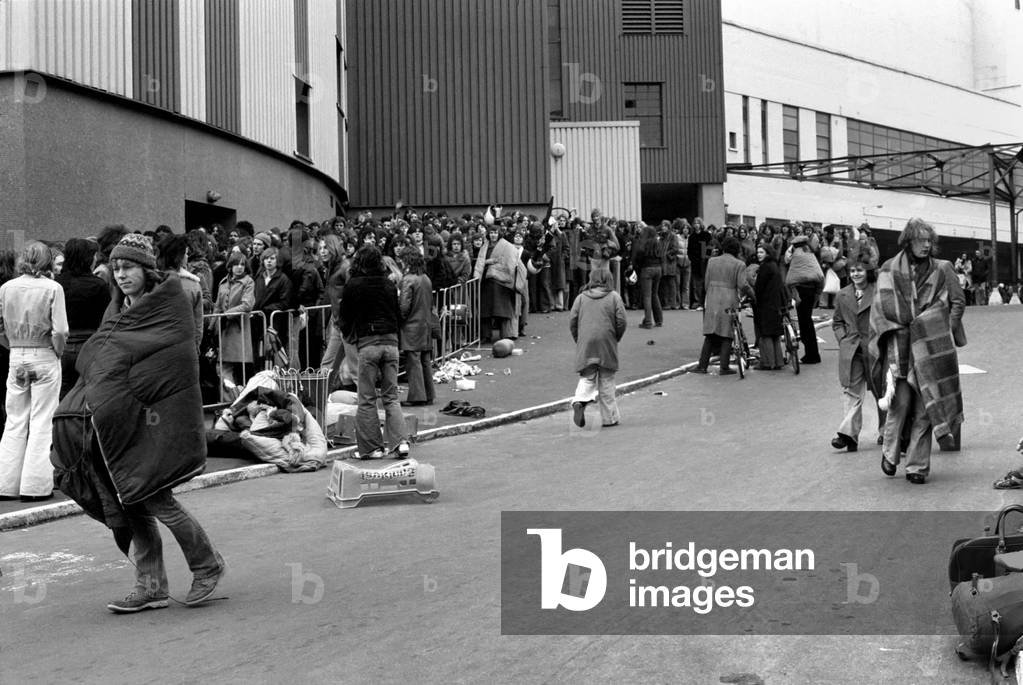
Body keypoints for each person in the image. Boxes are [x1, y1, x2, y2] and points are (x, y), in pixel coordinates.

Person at [61, 233, 225, 612]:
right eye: (115, 268)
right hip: (117, 420)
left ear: (146, 268)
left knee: (157, 497)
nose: (120, 275)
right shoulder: (115, 309)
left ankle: (208, 565)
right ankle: (150, 587)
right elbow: (100, 357)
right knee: (130, 500)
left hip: (157, 417)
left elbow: (177, 360)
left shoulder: (169, 304)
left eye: (128, 267)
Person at [869, 218, 966, 485]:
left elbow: (954, 303)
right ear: (908, 241)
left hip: (931, 347)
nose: (926, 245)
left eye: (929, 240)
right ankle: (889, 454)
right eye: (920, 240)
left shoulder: (942, 269)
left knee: (925, 408)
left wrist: (940, 328)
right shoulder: (889, 269)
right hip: (899, 346)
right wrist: (905, 324)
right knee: (900, 403)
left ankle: (917, 466)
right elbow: (880, 309)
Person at [0, 242, 68, 502]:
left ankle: (6, 483)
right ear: (48, 262)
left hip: (16, 355)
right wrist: (57, 351)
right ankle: (35, 486)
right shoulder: (53, 288)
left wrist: (12, 346)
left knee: (15, 419)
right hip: (45, 354)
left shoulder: (6, 288)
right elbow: (60, 330)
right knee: (42, 419)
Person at [340, 244, 410, 460]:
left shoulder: (353, 285)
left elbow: (345, 317)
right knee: (391, 396)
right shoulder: (389, 285)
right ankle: (401, 443)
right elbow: (399, 315)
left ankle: (371, 448)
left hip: (368, 343)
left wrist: (351, 336)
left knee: (367, 397)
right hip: (391, 342)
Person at [830, 245, 883, 452]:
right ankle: (848, 434)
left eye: (860, 270)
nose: (855, 274)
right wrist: (843, 339)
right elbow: (837, 322)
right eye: (852, 271)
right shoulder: (843, 294)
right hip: (851, 350)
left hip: (874, 349)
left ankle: (886, 430)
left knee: (881, 393)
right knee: (852, 393)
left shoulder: (878, 291)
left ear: (868, 271)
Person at [569, 268, 627, 429]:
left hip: (586, 341)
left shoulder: (581, 298)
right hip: (607, 341)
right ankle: (609, 418)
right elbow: (622, 320)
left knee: (587, 377)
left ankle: (579, 401)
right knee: (606, 380)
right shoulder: (614, 297)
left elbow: (573, 321)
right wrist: (616, 337)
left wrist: (579, 339)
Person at [55, 238, 110, 399]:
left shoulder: (57, 284)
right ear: (87, 258)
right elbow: (106, 317)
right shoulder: (99, 285)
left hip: (62, 347)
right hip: (90, 345)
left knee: (62, 393)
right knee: (89, 393)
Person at [693, 237, 753, 375]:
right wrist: (752, 295)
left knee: (710, 333)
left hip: (713, 296)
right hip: (729, 298)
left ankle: (702, 365)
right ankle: (724, 367)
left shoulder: (712, 261)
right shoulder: (739, 264)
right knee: (727, 333)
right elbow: (742, 284)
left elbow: (706, 281)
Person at [398, 248, 435, 407]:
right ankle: (428, 394)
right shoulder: (426, 278)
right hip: (425, 323)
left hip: (412, 326)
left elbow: (404, 307)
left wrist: (399, 319)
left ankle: (417, 396)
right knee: (425, 360)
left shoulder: (408, 280)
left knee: (413, 362)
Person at [213, 252, 255, 388]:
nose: (239, 267)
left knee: (230, 370)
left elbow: (247, 305)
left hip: (238, 330)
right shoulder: (223, 282)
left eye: (242, 264)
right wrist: (211, 327)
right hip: (223, 330)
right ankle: (231, 401)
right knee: (223, 369)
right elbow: (217, 306)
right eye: (236, 264)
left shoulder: (248, 282)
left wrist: (227, 315)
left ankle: (230, 402)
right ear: (230, 266)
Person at [785, 235, 824, 364]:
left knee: (805, 323)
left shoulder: (797, 255)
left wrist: (795, 295)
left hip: (802, 292)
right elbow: (820, 277)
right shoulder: (811, 255)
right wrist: (817, 295)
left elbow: (790, 279)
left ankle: (811, 355)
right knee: (808, 322)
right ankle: (813, 353)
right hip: (812, 291)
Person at [752, 243, 787, 371]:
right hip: (775, 303)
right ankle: (778, 361)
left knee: (765, 334)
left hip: (766, 304)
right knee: (775, 335)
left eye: (761, 252)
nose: (758, 254)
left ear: (767, 253)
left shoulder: (765, 267)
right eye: (758, 252)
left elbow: (759, 288)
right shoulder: (774, 266)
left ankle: (767, 362)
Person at [630, 223, 663, 329]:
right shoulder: (658, 243)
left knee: (647, 296)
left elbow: (637, 259)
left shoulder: (643, 245)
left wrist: (636, 267)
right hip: (658, 269)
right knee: (655, 294)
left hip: (647, 269)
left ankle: (648, 321)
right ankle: (659, 320)